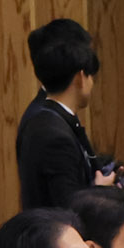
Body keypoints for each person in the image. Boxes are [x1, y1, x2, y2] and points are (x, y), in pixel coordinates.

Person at [15, 18, 109, 208]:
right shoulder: (53, 134)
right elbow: (68, 207)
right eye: (91, 76)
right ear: (80, 77)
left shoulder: (52, 119)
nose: (92, 83)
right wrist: (100, 191)